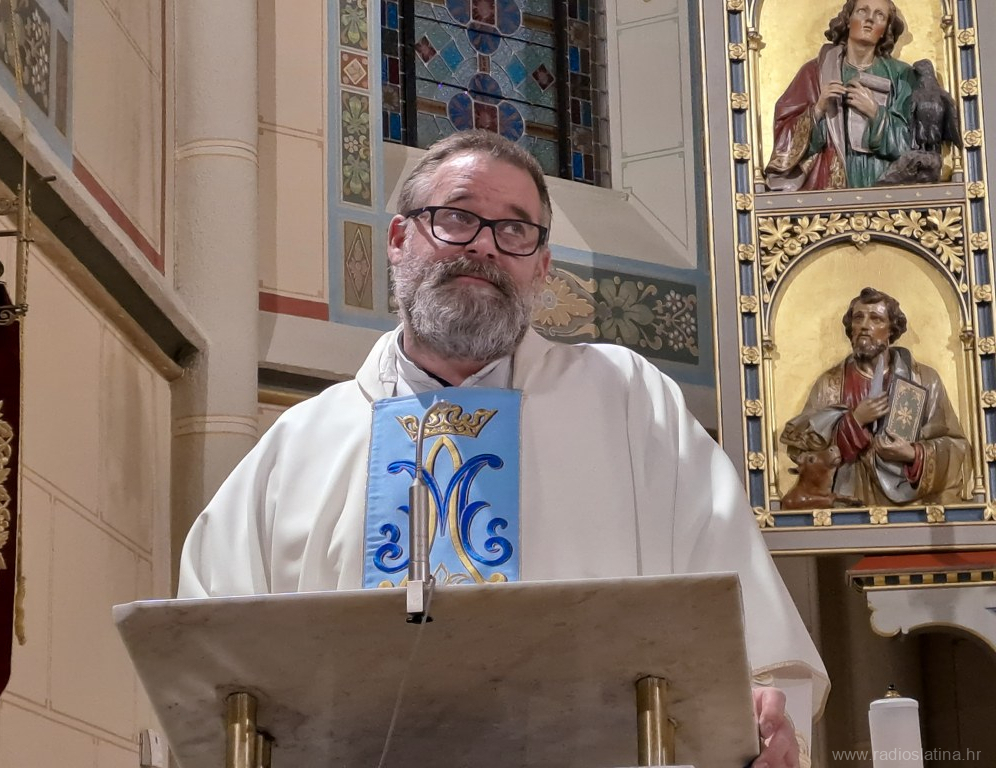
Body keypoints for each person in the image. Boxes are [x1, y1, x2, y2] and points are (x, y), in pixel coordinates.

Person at [179, 130, 828, 767]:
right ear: (399, 240)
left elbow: (744, 634)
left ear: (541, 267)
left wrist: (764, 718)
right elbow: (211, 663)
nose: (484, 245)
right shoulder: (300, 444)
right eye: (457, 217)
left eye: (515, 230)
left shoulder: (628, 400)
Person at [781, 287, 971, 505]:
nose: (864, 325)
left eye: (876, 319)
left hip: (908, 509)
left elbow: (956, 447)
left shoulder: (924, 380)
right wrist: (854, 422)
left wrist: (913, 454)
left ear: (891, 329)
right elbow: (802, 452)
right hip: (846, 502)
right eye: (858, 318)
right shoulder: (829, 384)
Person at [764, 0, 913, 191]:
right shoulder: (815, 72)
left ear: (885, 30)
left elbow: (912, 143)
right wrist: (818, 110)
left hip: (882, 177)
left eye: (880, 15)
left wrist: (876, 114)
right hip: (829, 177)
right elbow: (784, 134)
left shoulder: (901, 75)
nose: (869, 19)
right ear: (848, 20)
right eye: (862, 11)